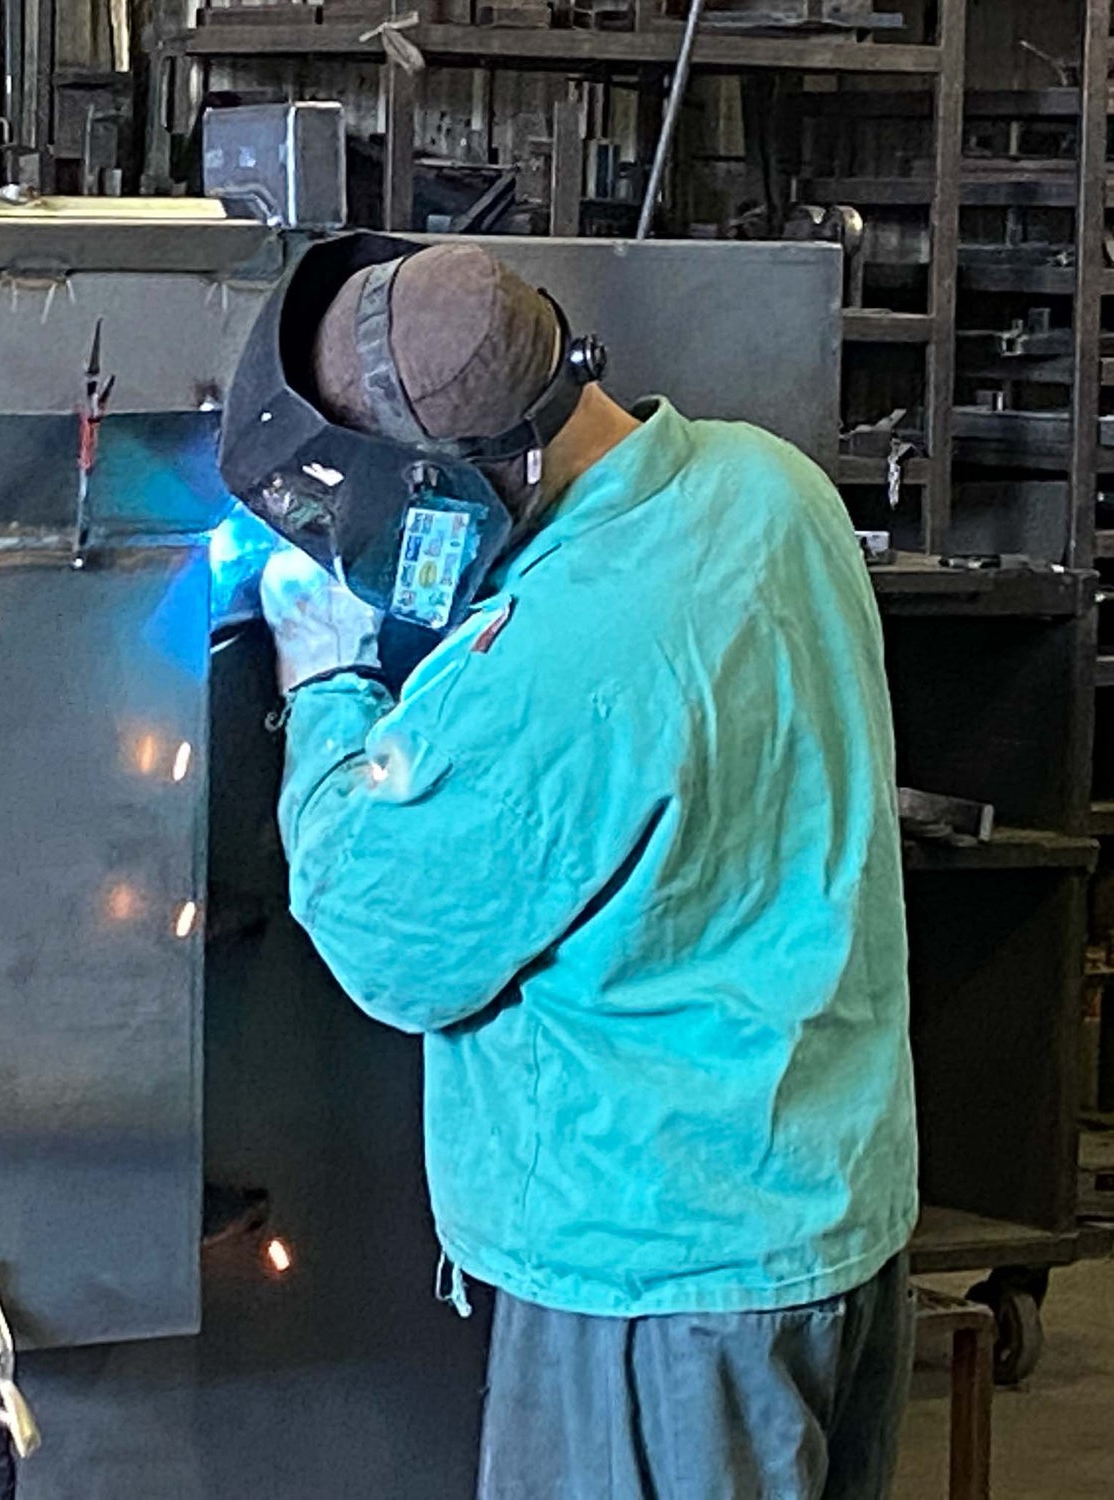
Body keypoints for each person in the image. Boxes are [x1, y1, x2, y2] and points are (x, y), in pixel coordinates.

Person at [241, 238, 917, 1500]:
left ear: (449, 483)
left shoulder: (563, 655)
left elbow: (385, 930)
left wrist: (329, 682)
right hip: (830, 1216)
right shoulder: (774, 488)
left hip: (658, 1282)